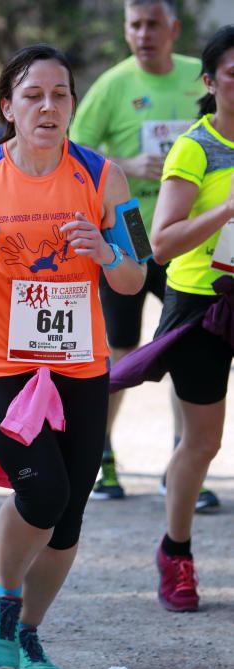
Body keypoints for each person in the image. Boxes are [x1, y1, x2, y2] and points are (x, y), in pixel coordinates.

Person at [0, 44, 146, 669]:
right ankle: (2, 596)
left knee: (70, 511)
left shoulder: (105, 178)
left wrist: (106, 252)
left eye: (61, 95)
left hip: (81, 363)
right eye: (33, 95)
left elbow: (134, 277)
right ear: (7, 107)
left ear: (74, 104)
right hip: (2, 361)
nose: (49, 106)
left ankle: (27, 634)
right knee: (42, 491)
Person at [69, 0, 219, 511]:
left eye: (153, 23)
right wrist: (129, 162)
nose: (143, 33)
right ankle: (101, 453)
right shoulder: (112, 84)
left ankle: (184, 460)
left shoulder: (201, 77)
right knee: (120, 348)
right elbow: (74, 150)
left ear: (174, 29)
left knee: (186, 347)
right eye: (134, 24)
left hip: (194, 239)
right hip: (131, 228)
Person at [149, 25, 234, 612]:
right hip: (203, 304)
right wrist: (228, 207)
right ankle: (175, 552)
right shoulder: (194, 148)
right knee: (203, 441)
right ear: (210, 81)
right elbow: (161, 243)